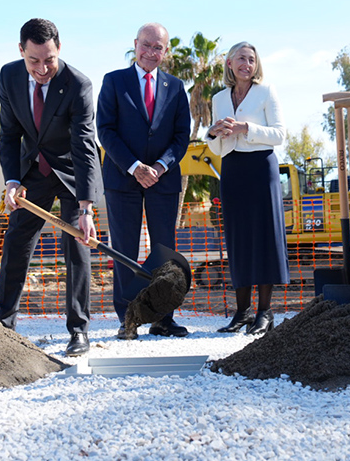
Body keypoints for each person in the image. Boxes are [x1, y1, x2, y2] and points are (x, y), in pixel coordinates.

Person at [0, 18, 102, 357]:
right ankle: (3, 326)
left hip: (71, 171)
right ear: (21, 51)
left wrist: (86, 209)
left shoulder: (78, 84)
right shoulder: (9, 76)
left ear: (59, 49)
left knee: (76, 247)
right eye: (34, 60)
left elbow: (85, 145)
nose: (42, 68)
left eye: (50, 59)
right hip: (33, 172)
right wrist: (12, 180)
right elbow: (9, 135)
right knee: (16, 242)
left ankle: (78, 330)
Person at [97, 22, 192, 340]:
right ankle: (128, 318)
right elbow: (105, 130)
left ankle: (164, 318)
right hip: (122, 179)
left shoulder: (176, 88)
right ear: (135, 44)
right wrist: (135, 167)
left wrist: (162, 167)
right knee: (123, 249)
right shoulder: (113, 81)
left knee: (165, 252)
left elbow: (181, 137)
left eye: (158, 47)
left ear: (165, 52)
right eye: (146, 45)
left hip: (163, 182)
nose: (151, 52)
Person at [206, 41, 289, 335]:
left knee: (264, 238)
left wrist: (246, 129)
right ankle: (242, 312)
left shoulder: (267, 92)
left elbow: (280, 134)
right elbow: (215, 146)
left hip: (261, 168)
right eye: (241, 58)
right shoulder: (218, 98)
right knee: (238, 239)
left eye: (251, 59)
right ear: (229, 63)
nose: (247, 64)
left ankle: (265, 313)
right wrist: (213, 133)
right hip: (232, 170)